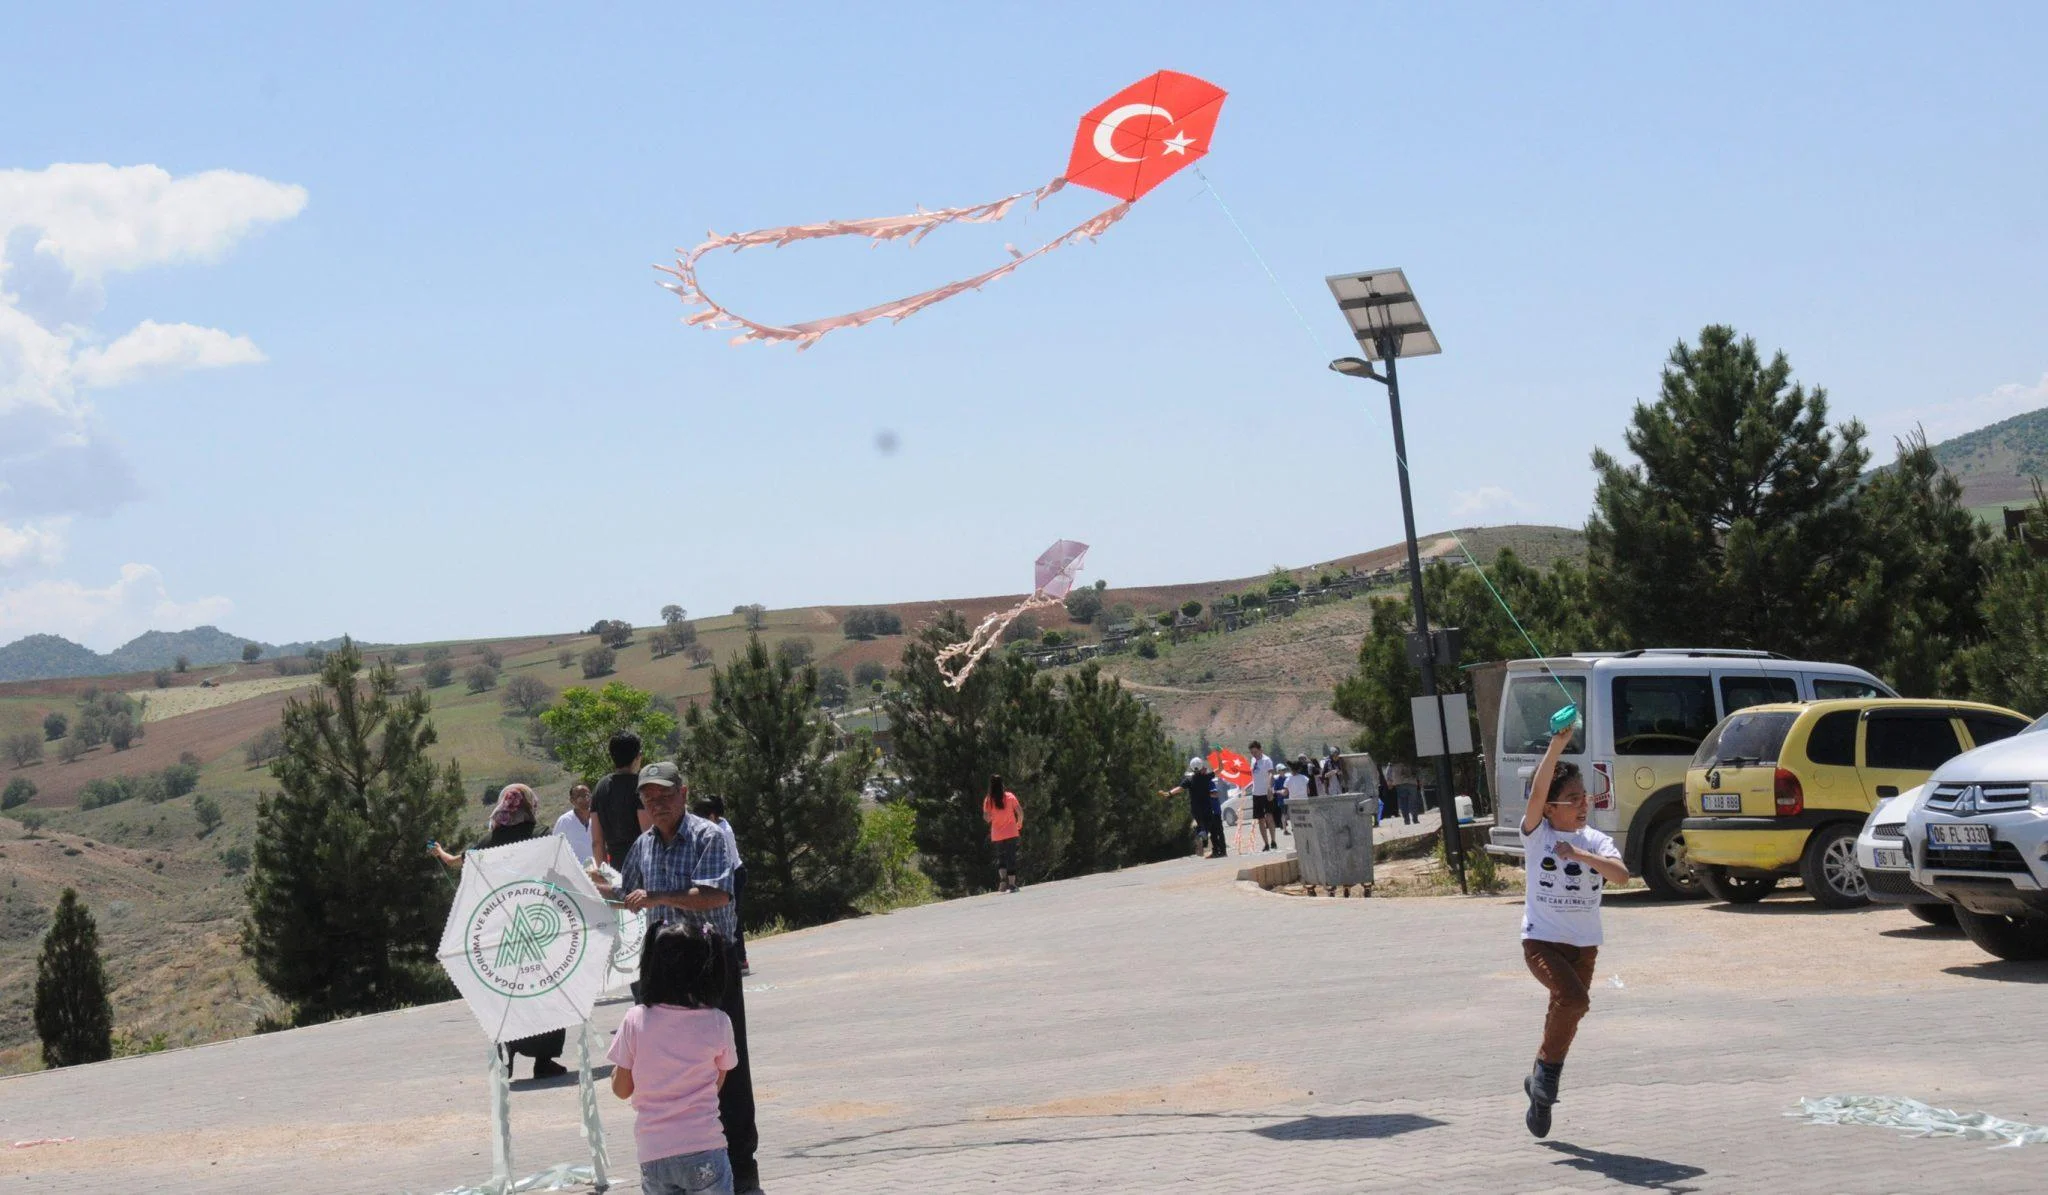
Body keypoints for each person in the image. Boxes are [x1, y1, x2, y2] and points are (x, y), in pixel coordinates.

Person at [612, 761, 760, 1194]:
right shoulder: (643, 845)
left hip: (711, 966)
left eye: (664, 795)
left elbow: (716, 893)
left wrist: (656, 896)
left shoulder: (709, 836)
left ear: (683, 793)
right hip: (660, 970)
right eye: (648, 798)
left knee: (728, 1066)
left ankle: (740, 1165)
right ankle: (674, 1156)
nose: (656, 804)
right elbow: (628, 894)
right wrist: (594, 888)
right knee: (664, 1061)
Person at [1517, 716, 1627, 1139]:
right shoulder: (1536, 835)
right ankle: (1546, 1077)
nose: (1583, 805)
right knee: (1573, 998)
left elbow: (1620, 875)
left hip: (1584, 947)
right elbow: (1539, 789)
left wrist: (1581, 855)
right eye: (1573, 798)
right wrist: (1557, 746)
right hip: (1541, 942)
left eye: (1586, 798)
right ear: (1550, 807)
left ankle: (1541, 1087)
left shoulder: (1594, 841)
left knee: (1568, 1009)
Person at [430, 784, 568, 1081]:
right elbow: (560, 873)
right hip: (540, 927)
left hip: (501, 931)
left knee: (507, 995)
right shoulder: (542, 835)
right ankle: (544, 1061)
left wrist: (440, 852)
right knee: (545, 990)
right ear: (530, 805)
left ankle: (505, 1060)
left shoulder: (487, 841)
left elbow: (457, 863)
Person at [609, 921, 740, 1195]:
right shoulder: (718, 1021)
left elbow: (622, 1090)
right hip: (704, 1146)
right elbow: (717, 1081)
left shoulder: (635, 1020)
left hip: (654, 1152)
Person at [693, 794, 750, 976]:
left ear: (711, 816)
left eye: (700, 816)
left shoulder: (720, 831)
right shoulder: (718, 824)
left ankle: (740, 960)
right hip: (730, 873)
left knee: (732, 918)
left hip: (734, 874)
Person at [590, 730, 649, 870]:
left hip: (615, 868)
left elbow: (597, 841)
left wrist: (603, 874)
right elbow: (648, 834)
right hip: (642, 867)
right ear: (637, 756)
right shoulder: (641, 786)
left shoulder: (600, 786)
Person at [1159, 757, 1226, 859]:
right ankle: (1205, 833)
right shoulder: (1206, 777)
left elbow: (1179, 789)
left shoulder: (1189, 780)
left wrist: (1169, 793)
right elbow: (1220, 769)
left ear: (1191, 768)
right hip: (1207, 807)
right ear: (1201, 766)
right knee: (1210, 824)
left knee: (1200, 823)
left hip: (1196, 809)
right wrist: (1218, 756)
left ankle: (1202, 833)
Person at [983, 776, 1024, 892]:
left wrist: (992, 817)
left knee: (1001, 857)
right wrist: (1019, 823)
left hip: (997, 834)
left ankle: (1002, 882)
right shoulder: (1010, 796)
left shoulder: (988, 799)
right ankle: (1012, 884)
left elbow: (986, 818)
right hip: (1011, 832)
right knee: (1011, 857)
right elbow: (1020, 812)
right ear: (1002, 784)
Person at [554, 783, 595, 864]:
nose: (585, 799)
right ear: (572, 801)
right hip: (575, 871)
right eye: (580, 797)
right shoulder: (564, 821)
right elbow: (555, 847)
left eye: (587, 795)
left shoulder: (597, 819)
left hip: (596, 870)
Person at [1247, 741, 1277, 851]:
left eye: (1255, 752)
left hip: (1266, 792)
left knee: (1269, 817)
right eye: (1251, 752)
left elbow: (1270, 773)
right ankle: (1266, 843)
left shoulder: (1266, 760)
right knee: (1260, 819)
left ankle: (1273, 840)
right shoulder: (1253, 760)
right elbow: (1254, 777)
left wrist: (1269, 787)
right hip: (1256, 793)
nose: (1253, 754)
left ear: (1260, 750)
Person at [1284, 758, 1311, 829]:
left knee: (1296, 821)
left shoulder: (1288, 779)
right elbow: (1308, 791)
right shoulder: (1304, 778)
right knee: (1306, 820)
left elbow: (1285, 793)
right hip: (1304, 802)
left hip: (1293, 803)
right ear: (1299, 769)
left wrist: (1278, 792)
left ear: (1290, 769)